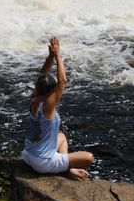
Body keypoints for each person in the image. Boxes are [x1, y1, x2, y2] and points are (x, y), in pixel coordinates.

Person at [21, 36, 95, 179]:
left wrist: (50, 57)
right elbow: (62, 81)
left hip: (28, 154)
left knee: (61, 136)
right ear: (50, 92)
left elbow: (42, 75)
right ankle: (68, 168)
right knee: (89, 158)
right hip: (42, 162)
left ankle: (65, 165)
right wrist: (58, 56)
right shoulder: (48, 106)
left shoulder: (34, 98)